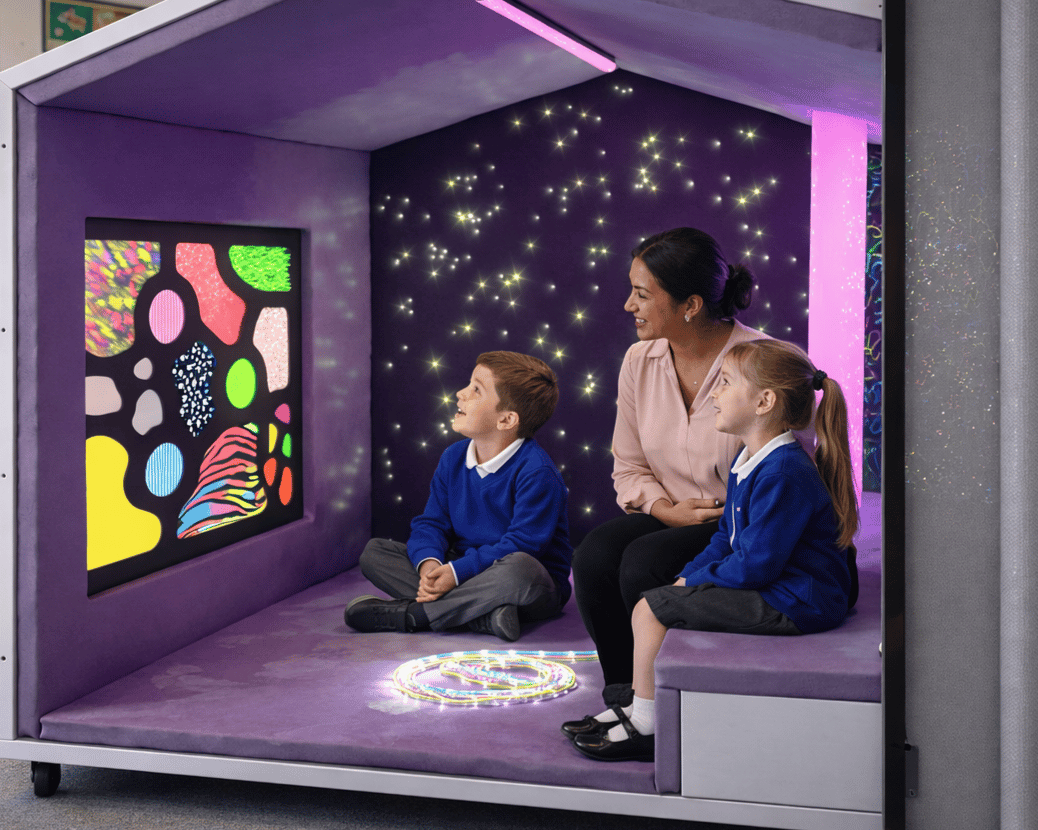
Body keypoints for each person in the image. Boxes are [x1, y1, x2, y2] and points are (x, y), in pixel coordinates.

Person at [563, 338, 859, 761]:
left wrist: (693, 583)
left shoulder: (784, 472)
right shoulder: (748, 458)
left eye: (725, 383)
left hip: (797, 599)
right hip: (775, 586)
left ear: (764, 402)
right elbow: (725, 536)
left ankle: (647, 726)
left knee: (651, 610)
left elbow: (756, 565)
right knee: (657, 598)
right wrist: (689, 574)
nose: (714, 394)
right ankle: (636, 704)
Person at [572, 227, 761, 695]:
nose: (628, 305)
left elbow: (792, 475)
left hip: (742, 524)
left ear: (690, 305)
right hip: (669, 514)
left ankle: (660, 703)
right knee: (594, 556)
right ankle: (624, 695)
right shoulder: (638, 361)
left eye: (642, 294)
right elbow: (629, 466)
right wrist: (664, 510)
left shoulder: (766, 363)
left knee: (644, 563)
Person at [345, 351, 572, 642]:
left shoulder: (537, 472)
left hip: (528, 584)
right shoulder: (453, 457)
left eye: (476, 390)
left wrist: (456, 573)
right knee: (375, 553)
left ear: (506, 419)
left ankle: (414, 615)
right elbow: (431, 524)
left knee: (519, 569)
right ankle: (483, 615)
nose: (460, 394)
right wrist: (429, 565)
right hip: (463, 569)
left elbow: (523, 544)